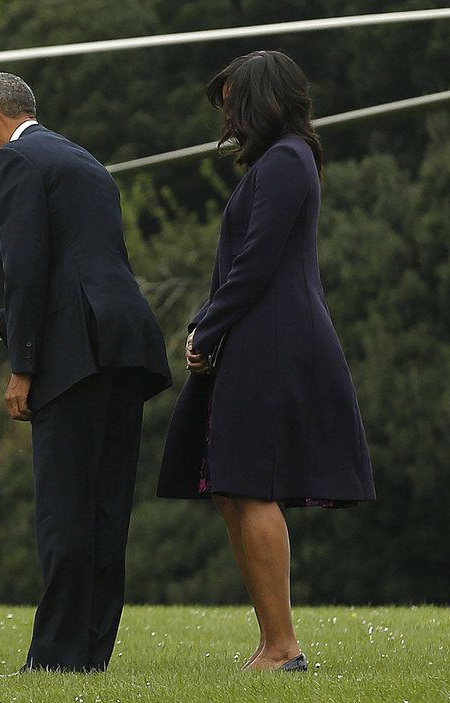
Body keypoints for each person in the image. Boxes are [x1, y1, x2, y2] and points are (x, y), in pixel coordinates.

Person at [157, 51, 376, 672]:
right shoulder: (280, 163)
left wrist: (205, 326)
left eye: (231, 101)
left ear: (260, 100)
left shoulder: (286, 161)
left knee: (251, 485)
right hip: (255, 337)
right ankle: (272, 642)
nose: (226, 114)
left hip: (274, 341)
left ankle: (282, 647)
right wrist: (214, 325)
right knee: (232, 486)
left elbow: (257, 262)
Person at [0, 72, 172, 673]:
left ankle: (54, 657)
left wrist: (22, 367)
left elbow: (29, 271)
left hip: (74, 359)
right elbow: (78, 271)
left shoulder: (17, 161)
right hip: (124, 346)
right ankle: (91, 651)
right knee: (106, 507)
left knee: (64, 510)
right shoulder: (83, 161)